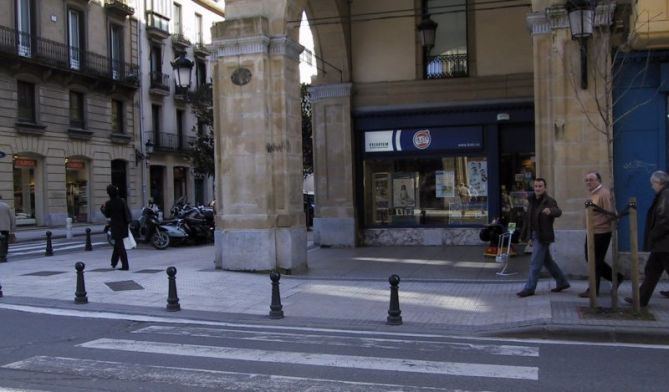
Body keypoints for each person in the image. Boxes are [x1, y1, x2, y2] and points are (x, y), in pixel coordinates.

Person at [517, 178, 570, 297]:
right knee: (548, 262)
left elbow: (559, 211)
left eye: (540, 186)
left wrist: (550, 211)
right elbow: (528, 219)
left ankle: (529, 288)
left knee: (535, 262)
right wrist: (526, 234)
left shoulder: (549, 201)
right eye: (536, 186)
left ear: (544, 188)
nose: (537, 188)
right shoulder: (531, 200)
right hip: (535, 234)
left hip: (543, 236)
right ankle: (562, 282)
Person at [625, 171, 669, 307]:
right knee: (652, 270)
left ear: (659, 182)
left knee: (654, 270)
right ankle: (641, 299)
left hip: (664, 242)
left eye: (652, 184)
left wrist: (653, 235)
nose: (652, 187)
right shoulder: (663, 194)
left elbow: (664, 218)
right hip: (662, 243)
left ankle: (641, 299)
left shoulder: (666, 194)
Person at [579, 172, 623, 298]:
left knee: (595, 261)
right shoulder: (593, 194)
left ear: (598, 180)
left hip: (601, 232)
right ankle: (616, 278)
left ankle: (593, 289)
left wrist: (602, 225)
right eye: (586, 180)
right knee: (592, 260)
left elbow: (611, 214)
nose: (588, 182)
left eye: (591, 180)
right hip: (593, 231)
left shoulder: (604, 194)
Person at [101, 184, 131, 270]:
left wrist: (102, 208)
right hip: (124, 225)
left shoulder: (109, 203)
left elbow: (107, 214)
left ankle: (125, 265)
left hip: (115, 226)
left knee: (120, 246)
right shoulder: (122, 201)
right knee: (118, 244)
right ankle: (113, 262)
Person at [0, 195, 16, 263]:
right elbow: (12, 218)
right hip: (5, 227)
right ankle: (4, 253)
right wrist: (12, 229)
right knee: (5, 241)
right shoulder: (6, 206)